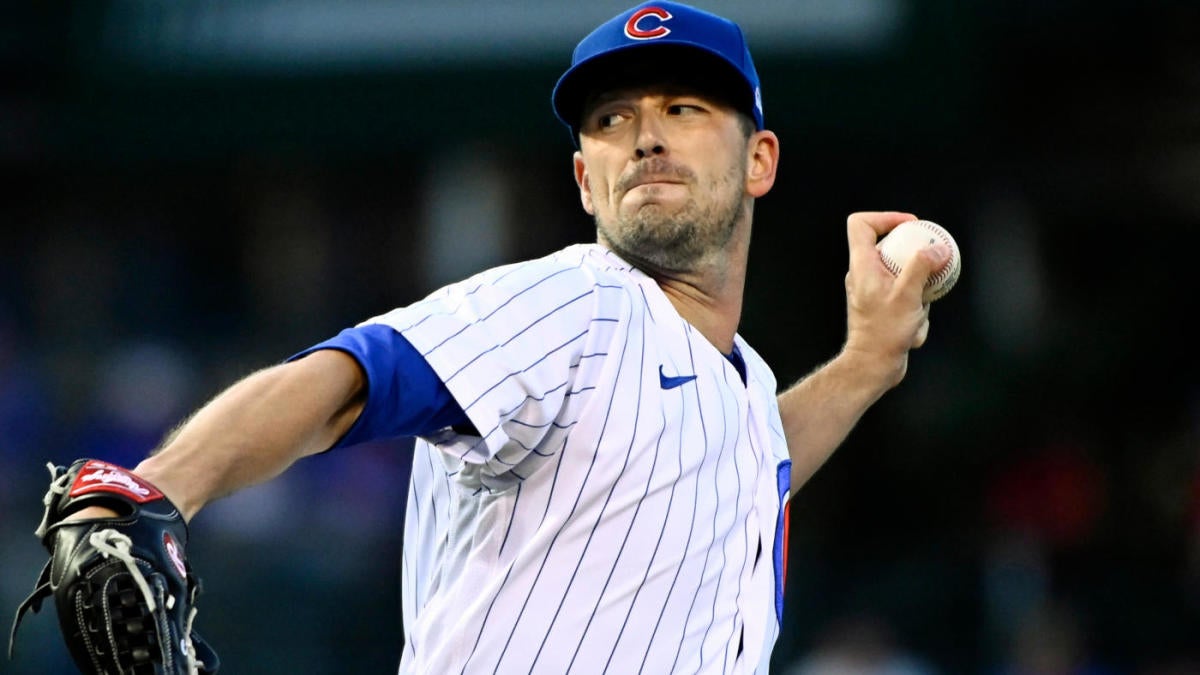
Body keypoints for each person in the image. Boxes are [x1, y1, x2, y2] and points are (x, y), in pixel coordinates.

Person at [35, 1, 949, 672]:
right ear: (586, 179)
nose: (645, 138)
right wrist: (157, 490)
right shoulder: (575, 303)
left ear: (760, 160)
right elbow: (352, 375)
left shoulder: (739, 381)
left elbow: (749, 456)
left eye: (683, 109)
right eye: (613, 119)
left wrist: (867, 362)